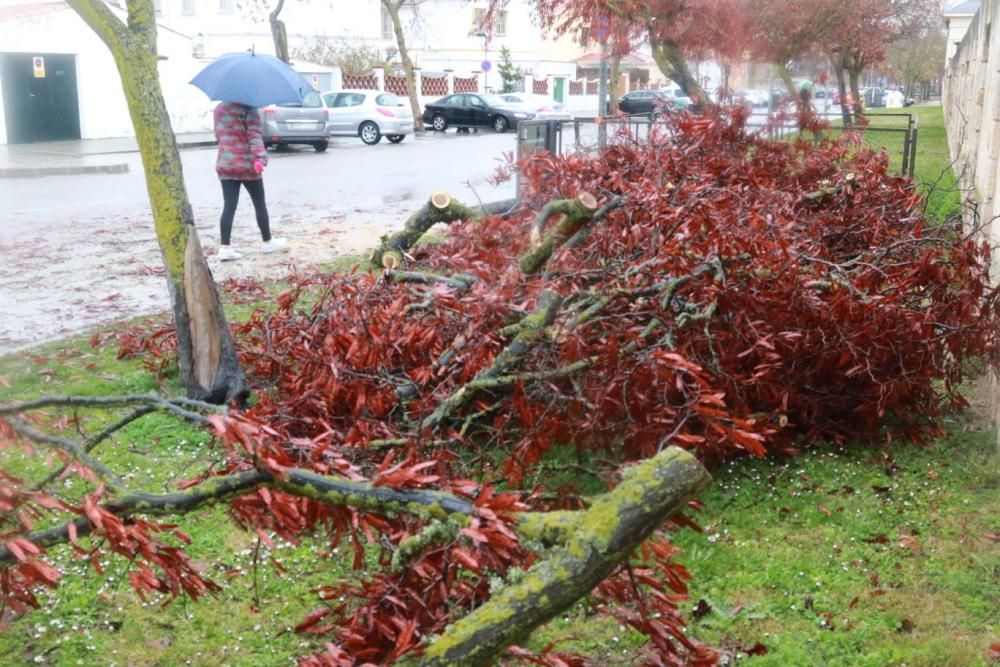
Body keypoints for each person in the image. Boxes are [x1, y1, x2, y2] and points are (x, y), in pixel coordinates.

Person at [213, 101, 286, 261]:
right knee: (259, 204)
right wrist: (261, 159)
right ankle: (268, 242)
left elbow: (218, 136)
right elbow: (254, 137)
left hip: (225, 163)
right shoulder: (249, 109)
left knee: (229, 205)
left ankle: (225, 247)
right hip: (248, 165)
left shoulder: (219, 109)